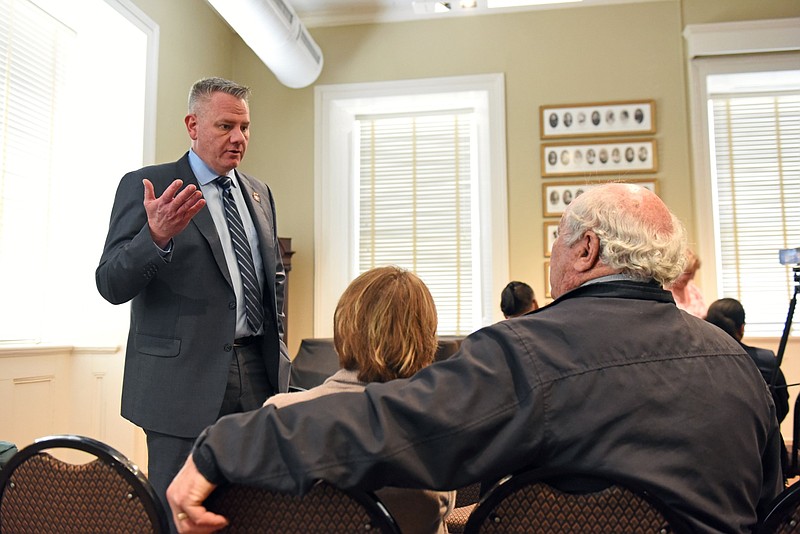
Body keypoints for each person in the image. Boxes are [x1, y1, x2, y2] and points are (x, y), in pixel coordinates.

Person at [168, 183, 783, 534]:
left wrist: (226, 443)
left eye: (557, 246)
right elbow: (770, 512)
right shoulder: (740, 366)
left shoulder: (531, 351)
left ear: (587, 248)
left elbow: (388, 424)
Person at [96, 77, 291, 526]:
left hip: (258, 375)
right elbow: (110, 283)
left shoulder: (259, 193)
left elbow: (272, 281)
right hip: (179, 385)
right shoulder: (148, 185)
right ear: (193, 124)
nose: (239, 138)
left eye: (245, 127)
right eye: (226, 126)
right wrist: (156, 237)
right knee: (178, 514)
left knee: (254, 509)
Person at [265, 266, 454, 533]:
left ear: (342, 327)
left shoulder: (276, 413)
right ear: (425, 338)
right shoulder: (433, 430)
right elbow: (433, 513)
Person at [706, 298, 791, 473]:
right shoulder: (766, 361)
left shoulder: (699, 362)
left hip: (714, 457)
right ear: (741, 328)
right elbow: (782, 406)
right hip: (765, 455)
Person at [667, 248, 707, 318]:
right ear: (676, 271)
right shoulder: (666, 293)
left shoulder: (694, 291)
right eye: (689, 273)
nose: (691, 278)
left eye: (693, 273)